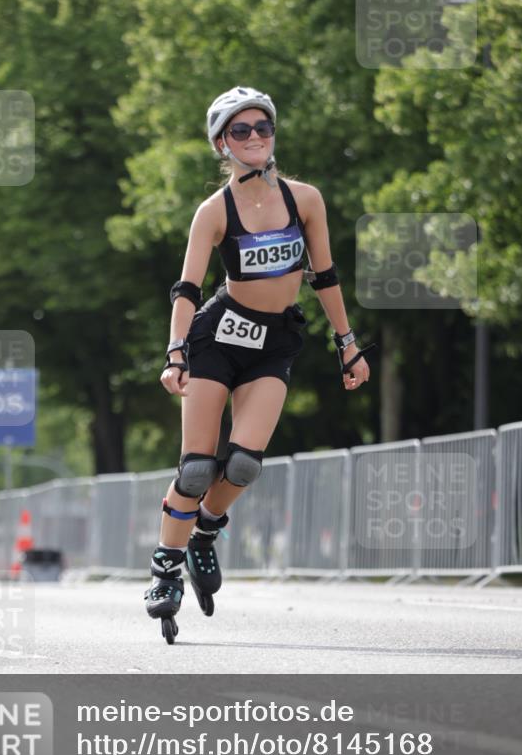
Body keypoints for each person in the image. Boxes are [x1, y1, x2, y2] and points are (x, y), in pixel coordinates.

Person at [144, 86, 372, 644]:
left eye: (262, 127)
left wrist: (347, 342)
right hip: (217, 339)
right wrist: (175, 351)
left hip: (274, 342)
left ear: (273, 135)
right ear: (222, 143)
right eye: (240, 130)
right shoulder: (214, 211)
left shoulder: (306, 200)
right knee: (197, 469)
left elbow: (325, 276)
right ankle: (165, 569)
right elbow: (187, 288)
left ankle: (205, 532)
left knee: (244, 464)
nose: (254, 137)